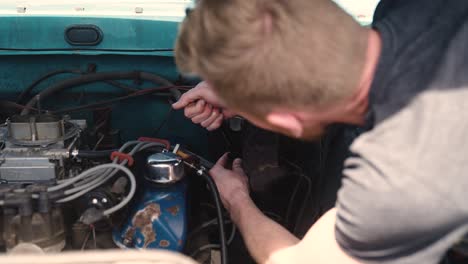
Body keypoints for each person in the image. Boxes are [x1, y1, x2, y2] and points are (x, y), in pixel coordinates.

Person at [172, 0, 468, 263]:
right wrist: (249, 96)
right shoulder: (412, 6)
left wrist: (235, 199)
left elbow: (296, 259)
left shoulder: (398, 178)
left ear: (288, 121)